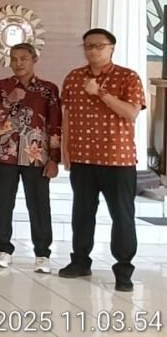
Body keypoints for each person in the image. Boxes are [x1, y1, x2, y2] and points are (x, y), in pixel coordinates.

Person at [59, 29, 145, 292]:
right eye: (88, 46)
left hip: (117, 159)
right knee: (82, 214)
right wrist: (65, 150)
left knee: (122, 215)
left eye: (99, 45)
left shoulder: (128, 77)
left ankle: (124, 270)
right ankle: (80, 261)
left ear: (111, 48)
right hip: (82, 158)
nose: (93, 50)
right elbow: (67, 116)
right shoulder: (74, 77)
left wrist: (101, 93)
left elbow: (131, 113)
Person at [0, 43, 60, 273]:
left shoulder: (48, 89)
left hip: (36, 156)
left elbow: (55, 126)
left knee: (39, 204)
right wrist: (9, 99)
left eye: (23, 58)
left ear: (34, 60)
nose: (18, 63)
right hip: (5, 154)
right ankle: (4, 249)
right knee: (3, 203)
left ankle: (42, 253)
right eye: (14, 58)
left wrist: (54, 159)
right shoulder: (2, 86)